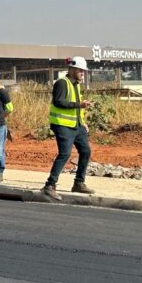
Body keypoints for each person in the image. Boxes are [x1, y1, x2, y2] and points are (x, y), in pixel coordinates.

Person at [41, 56, 95, 201]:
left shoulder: (76, 85)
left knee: (86, 151)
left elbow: (75, 106)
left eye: (83, 71)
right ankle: (49, 186)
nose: (82, 74)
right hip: (62, 125)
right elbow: (59, 102)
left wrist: (82, 121)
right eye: (80, 71)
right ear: (71, 69)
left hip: (76, 125)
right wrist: (80, 105)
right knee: (65, 154)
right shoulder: (62, 83)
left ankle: (79, 183)